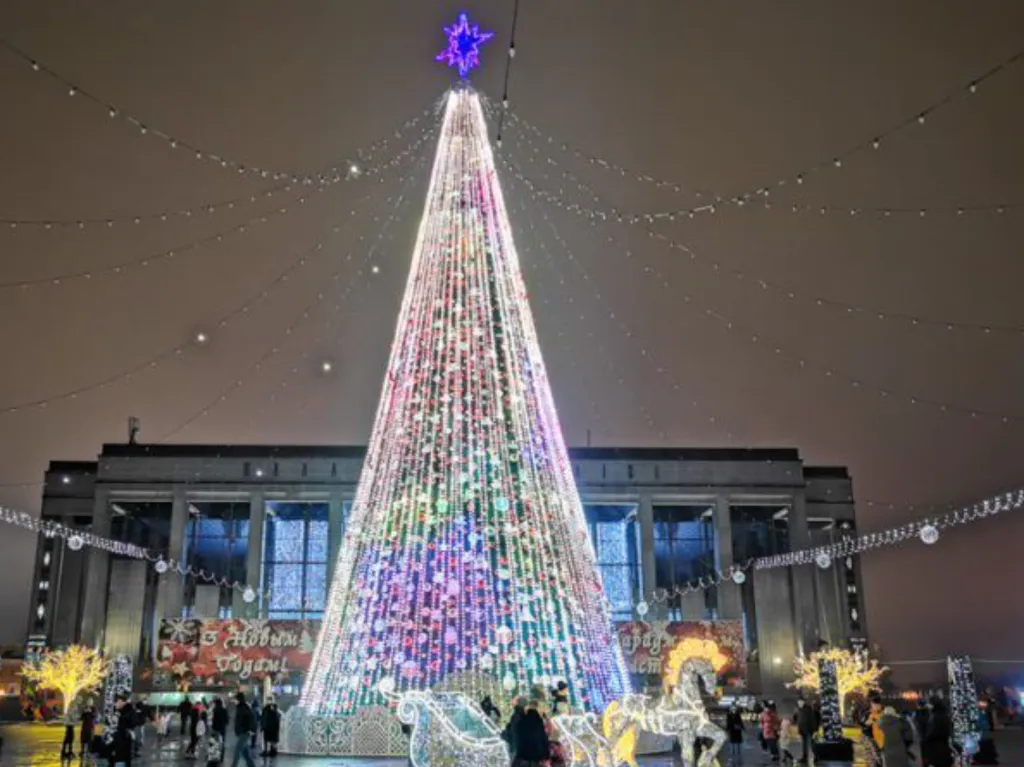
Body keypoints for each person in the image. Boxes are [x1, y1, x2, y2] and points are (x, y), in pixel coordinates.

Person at [513, 701, 551, 767]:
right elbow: (543, 738)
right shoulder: (538, 722)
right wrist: (546, 754)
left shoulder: (522, 721)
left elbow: (518, 737)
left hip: (524, 754)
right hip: (537, 754)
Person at [921, 698, 954, 767]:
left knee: (938, 762)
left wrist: (928, 738)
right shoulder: (944, 715)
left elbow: (935, 730)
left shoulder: (936, 716)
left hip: (937, 745)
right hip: (943, 745)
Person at [230, 693, 256, 767]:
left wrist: (251, 729)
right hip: (241, 732)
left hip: (244, 732)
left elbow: (251, 719)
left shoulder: (244, 707)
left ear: (238, 699)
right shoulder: (240, 707)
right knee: (245, 753)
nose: (234, 701)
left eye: (235, 699)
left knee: (237, 751)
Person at [795, 698, 817, 765]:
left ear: (804, 702)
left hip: (809, 729)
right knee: (804, 744)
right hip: (802, 729)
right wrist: (799, 729)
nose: (800, 703)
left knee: (811, 744)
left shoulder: (808, 709)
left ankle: (816, 756)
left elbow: (812, 719)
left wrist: (814, 729)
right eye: (799, 702)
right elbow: (798, 720)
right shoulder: (799, 710)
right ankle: (804, 757)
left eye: (801, 702)